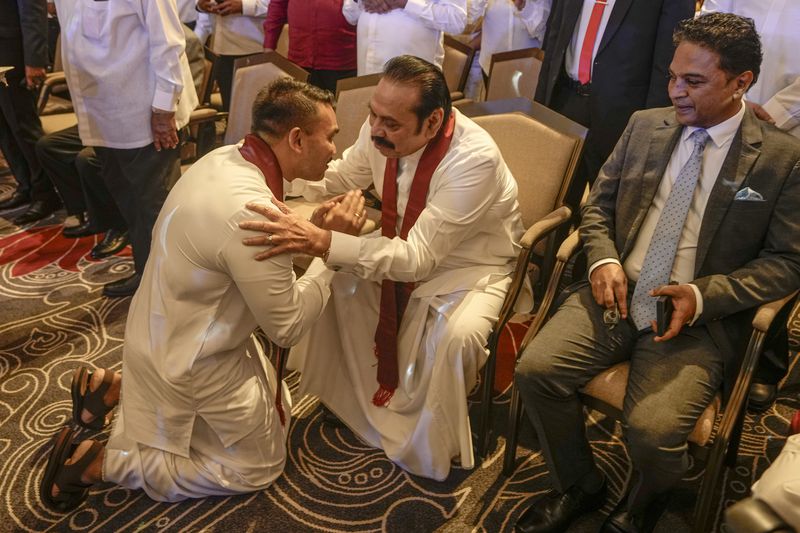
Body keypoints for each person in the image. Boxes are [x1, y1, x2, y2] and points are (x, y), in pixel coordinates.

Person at [513, 13, 800, 533]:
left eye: (693, 81)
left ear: (741, 83)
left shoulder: (782, 159)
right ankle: (581, 483)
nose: (675, 91)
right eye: (672, 76)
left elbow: (789, 263)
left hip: (695, 317)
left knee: (651, 432)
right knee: (536, 372)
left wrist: (702, 294)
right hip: (617, 291)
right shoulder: (646, 125)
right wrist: (601, 260)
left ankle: (648, 494)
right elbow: (597, 206)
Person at [39, 78, 365, 511]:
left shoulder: (224, 158)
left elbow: (231, 232)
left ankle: (113, 389)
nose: (334, 151)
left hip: (155, 331)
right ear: (297, 138)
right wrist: (329, 249)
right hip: (194, 361)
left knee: (278, 402)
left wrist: (311, 228)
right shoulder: (255, 213)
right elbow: (286, 328)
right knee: (259, 464)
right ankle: (102, 463)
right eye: (331, 137)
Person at [240, 55, 524, 481]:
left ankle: (428, 438)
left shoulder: (473, 159)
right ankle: (356, 400)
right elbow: (338, 178)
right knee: (337, 283)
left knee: (457, 338)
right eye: (373, 115)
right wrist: (267, 171)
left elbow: (419, 260)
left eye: (390, 123)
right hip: (400, 242)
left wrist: (326, 241)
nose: (375, 130)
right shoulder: (379, 130)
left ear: (433, 123)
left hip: (470, 266)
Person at [53, 0, 198, 298]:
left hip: (143, 112)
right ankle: (148, 273)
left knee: (153, 205)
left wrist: (163, 109)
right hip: (101, 113)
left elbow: (168, 42)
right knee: (129, 201)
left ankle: (170, 287)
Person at [700, 0, 800, 410]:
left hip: (789, 133)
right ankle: (709, 343)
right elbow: (706, 27)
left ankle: (766, 364)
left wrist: (770, 112)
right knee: (720, 228)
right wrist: (731, 99)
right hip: (724, 115)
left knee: (773, 246)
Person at [534, 0, 694, 214]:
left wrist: (652, 128)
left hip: (623, 116)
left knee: (607, 210)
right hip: (565, 100)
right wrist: (540, 107)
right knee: (553, 200)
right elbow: (555, 36)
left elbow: (667, 61)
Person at [0, 0, 62, 222]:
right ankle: (25, 185)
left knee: (23, 127)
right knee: (5, 129)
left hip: (14, 53)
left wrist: (35, 60)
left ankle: (45, 193)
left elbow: (32, 8)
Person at [342, 0, 467, 76]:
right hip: (366, 75)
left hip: (413, 81)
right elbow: (350, 15)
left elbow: (456, 20)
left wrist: (406, 2)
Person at [263, 0, 357, 94]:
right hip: (300, 62)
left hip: (343, 62)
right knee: (299, 107)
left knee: (341, 107)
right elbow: (278, 5)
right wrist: (269, 45)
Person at [196, 0, 270, 111]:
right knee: (230, 111)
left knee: (250, 113)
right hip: (219, 48)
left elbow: (278, 6)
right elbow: (203, 17)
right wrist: (200, 6)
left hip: (251, 50)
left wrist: (244, 6)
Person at [470, 0, 551, 83]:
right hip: (490, 66)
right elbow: (470, 21)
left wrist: (522, 5)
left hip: (528, 69)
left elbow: (542, 31)